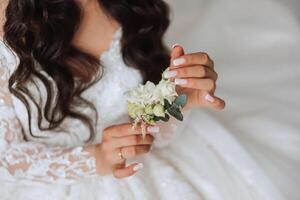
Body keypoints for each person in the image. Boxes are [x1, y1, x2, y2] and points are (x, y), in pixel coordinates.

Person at [0, 0, 287, 199]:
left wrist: (178, 101)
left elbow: (149, 122)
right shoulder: (6, 19)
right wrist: (98, 157)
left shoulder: (133, 8)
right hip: (44, 182)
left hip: (142, 164)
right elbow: (5, 158)